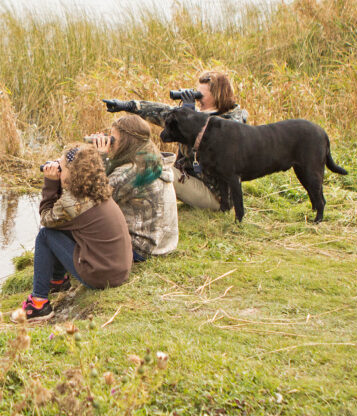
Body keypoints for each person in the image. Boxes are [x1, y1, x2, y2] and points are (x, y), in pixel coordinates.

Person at [17, 143, 133, 322]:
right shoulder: (96, 188)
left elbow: (47, 218)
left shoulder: (73, 203)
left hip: (101, 276)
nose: (58, 170)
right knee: (61, 231)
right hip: (118, 269)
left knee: (45, 235)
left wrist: (50, 183)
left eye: (61, 168)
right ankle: (57, 280)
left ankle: (39, 304)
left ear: (73, 174)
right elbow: (63, 220)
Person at [104, 71, 249, 210]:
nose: (198, 99)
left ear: (217, 95)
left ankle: (114, 200)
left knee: (155, 168)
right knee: (146, 157)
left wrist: (190, 118)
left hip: (217, 196)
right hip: (195, 180)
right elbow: (163, 112)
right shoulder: (203, 114)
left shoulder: (233, 123)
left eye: (201, 95)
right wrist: (128, 105)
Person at [86, 114, 178, 261]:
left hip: (141, 249)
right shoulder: (151, 160)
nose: (110, 142)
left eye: (113, 138)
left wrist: (99, 158)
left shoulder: (131, 172)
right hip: (163, 243)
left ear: (126, 142)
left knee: (77, 224)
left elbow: (92, 201)